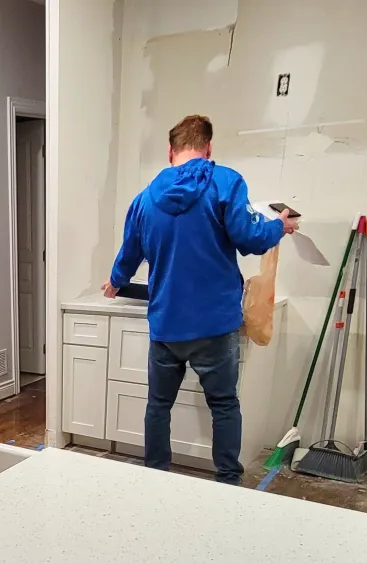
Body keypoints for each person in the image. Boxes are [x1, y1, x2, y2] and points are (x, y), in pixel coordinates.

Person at [102, 114, 297, 484]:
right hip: (215, 325)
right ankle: (227, 483)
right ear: (208, 148)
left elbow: (129, 252)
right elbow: (250, 238)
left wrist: (115, 281)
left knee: (158, 405)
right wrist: (279, 226)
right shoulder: (226, 183)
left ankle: (155, 477)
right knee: (223, 405)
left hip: (166, 325)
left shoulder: (144, 199)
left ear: (170, 151)